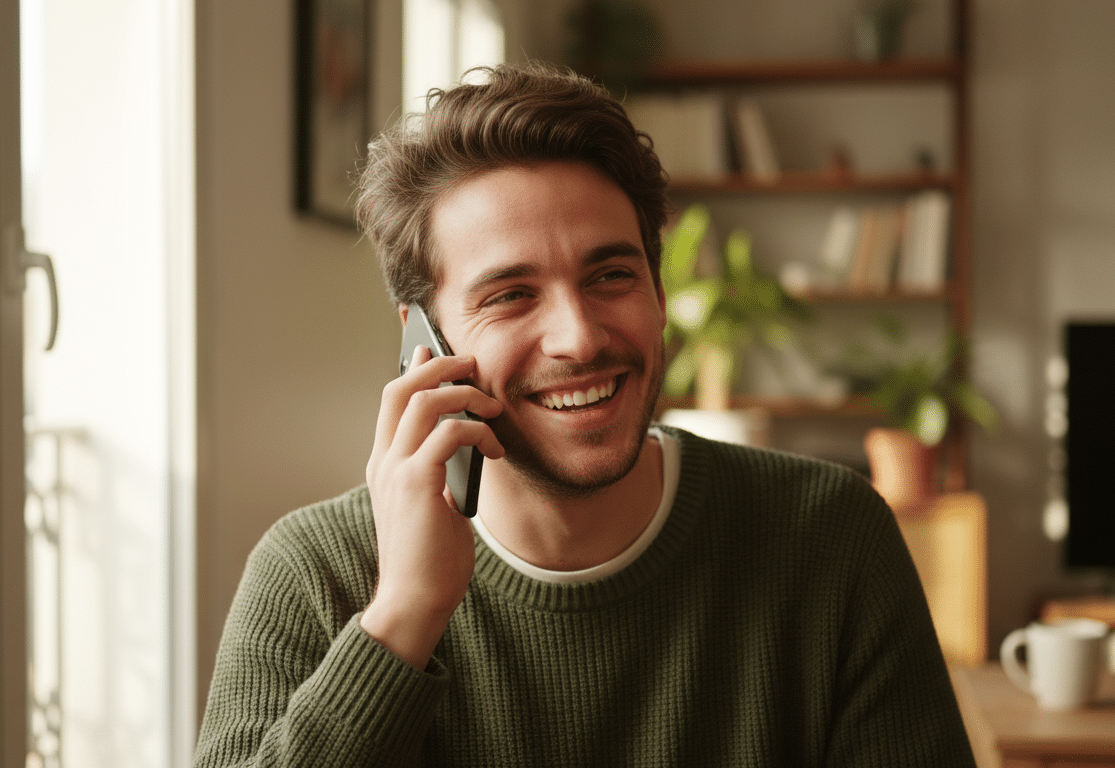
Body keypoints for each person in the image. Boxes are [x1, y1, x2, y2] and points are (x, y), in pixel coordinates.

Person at [194, 61, 976, 767]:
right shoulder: (313, 575)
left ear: (660, 293)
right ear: (424, 345)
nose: (579, 337)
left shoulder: (831, 540)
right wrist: (402, 617)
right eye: (510, 295)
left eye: (610, 275)